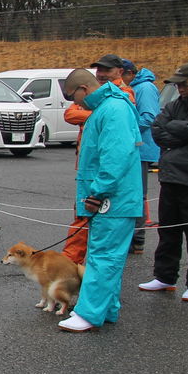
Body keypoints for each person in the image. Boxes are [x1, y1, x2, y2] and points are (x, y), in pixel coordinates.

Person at [56, 68, 142, 332]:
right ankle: (106, 309)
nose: (74, 103)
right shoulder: (108, 107)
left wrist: (98, 192)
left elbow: (115, 156)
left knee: (103, 256)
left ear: (83, 89)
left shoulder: (113, 109)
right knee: (103, 255)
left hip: (113, 199)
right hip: (112, 198)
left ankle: (89, 313)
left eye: (72, 96)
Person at [140, 63, 188, 303]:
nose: (181, 89)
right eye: (178, 85)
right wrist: (185, 133)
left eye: (185, 84)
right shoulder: (176, 104)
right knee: (168, 230)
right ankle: (165, 276)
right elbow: (157, 128)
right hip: (170, 175)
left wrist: (175, 128)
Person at [61, 53, 137, 262]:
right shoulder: (98, 98)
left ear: (120, 71)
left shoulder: (119, 99)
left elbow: (117, 155)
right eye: (99, 70)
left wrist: (100, 190)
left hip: (105, 179)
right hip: (88, 166)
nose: (102, 74)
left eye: (107, 70)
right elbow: (69, 114)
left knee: (102, 243)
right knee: (83, 216)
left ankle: (70, 261)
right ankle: (71, 263)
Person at [123, 59, 160, 254]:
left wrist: (124, 132)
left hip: (140, 149)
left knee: (137, 194)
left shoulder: (144, 88)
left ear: (130, 73)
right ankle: (132, 238)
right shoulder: (136, 87)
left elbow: (148, 117)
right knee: (132, 193)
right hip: (136, 148)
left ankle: (137, 239)